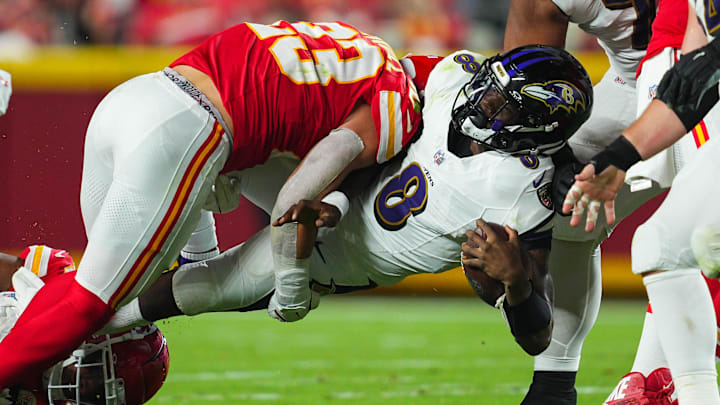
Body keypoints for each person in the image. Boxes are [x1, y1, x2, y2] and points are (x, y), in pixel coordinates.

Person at [0, 20, 423, 388]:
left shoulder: (362, 49)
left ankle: (29, 291)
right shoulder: (399, 106)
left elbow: (265, 102)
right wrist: (292, 287)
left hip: (136, 98)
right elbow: (296, 200)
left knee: (95, 307)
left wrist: (199, 258)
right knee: (90, 306)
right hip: (187, 131)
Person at [102, 45, 594, 358]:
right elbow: (385, 100)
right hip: (334, 183)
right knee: (215, 144)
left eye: (497, 103)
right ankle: (155, 260)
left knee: (199, 291)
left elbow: (537, 338)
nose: (478, 99)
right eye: (487, 87)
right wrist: (336, 182)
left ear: (536, 127)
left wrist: (515, 284)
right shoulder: (454, 77)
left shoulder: (526, 195)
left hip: (331, 258)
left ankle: (95, 321)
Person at [503, 1, 719, 403]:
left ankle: (664, 378)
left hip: (692, 67)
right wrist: (585, 157)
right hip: (648, 74)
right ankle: (570, 383)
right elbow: (525, 88)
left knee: (699, 237)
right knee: (568, 206)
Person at [0, 246, 169, 405]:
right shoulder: (51, 275)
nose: (88, 389)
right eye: (99, 375)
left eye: (100, 395)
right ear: (97, 337)